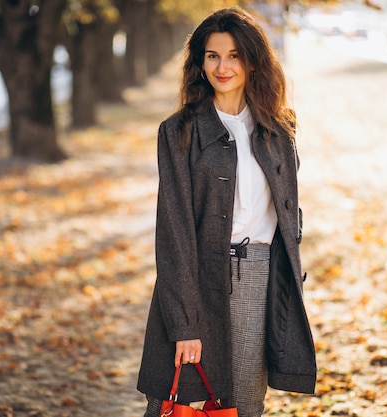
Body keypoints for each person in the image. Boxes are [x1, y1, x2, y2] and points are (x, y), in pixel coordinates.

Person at [137, 7, 317, 417]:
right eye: (213, 55)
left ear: (252, 61)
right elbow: (175, 231)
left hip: (258, 275)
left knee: (244, 404)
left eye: (234, 55)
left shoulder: (278, 130)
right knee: (181, 400)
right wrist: (185, 324)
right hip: (199, 278)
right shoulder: (180, 130)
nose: (223, 66)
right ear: (200, 63)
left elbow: (289, 217)